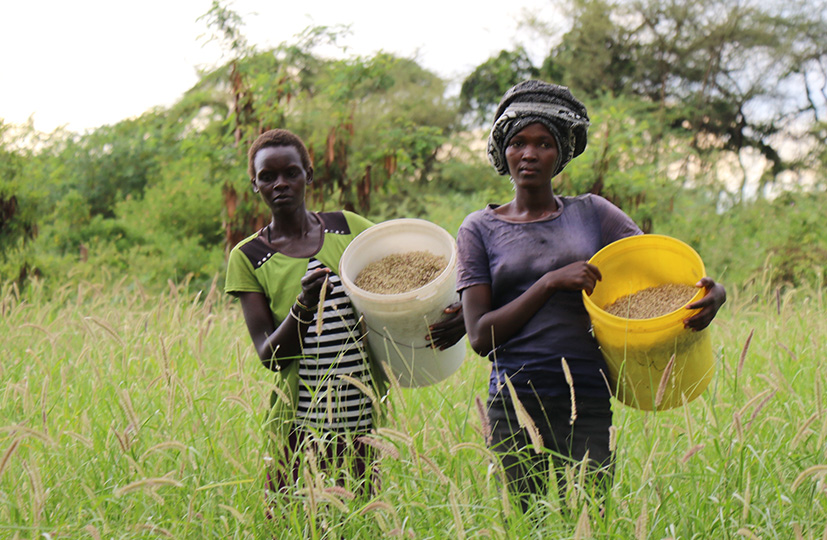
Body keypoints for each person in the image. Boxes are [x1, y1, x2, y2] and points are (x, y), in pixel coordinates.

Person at [455, 80, 726, 506]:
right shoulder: (479, 228)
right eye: (518, 142)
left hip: (585, 394)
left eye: (544, 143)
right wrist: (549, 283)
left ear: (561, 153)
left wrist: (715, 293)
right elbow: (479, 336)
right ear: (503, 150)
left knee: (591, 519)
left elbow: (661, 271)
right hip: (513, 401)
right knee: (525, 523)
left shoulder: (592, 213)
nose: (529, 154)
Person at [224, 129, 465, 497]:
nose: (280, 184)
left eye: (291, 173)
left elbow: (405, 280)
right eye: (267, 176)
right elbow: (270, 356)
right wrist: (304, 306)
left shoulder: (347, 228)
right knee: (290, 513)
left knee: (360, 511)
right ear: (254, 184)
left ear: (309, 175)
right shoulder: (249, 256)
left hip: (361, 414)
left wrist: (459, 307)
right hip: (300, 419)